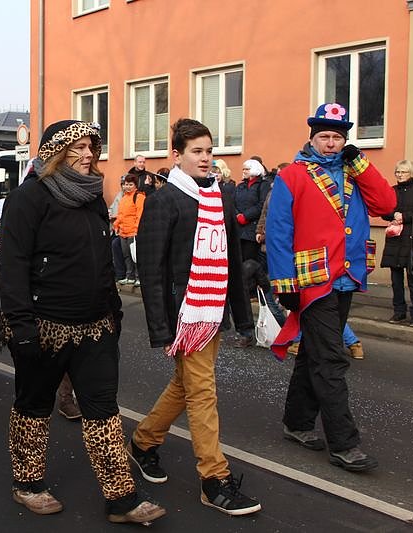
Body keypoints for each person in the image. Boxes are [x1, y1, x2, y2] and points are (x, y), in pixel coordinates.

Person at [0, 119, 165, 524]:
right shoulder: (29, 198)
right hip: (42, 327)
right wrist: (21, 327)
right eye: (80, 148)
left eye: (93, 146)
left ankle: (121, 499)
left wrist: (114, 309)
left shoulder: (92, 197)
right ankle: (28, 484)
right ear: (56, 153)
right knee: (33, 407)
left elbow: (101, 259)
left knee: (103, 411)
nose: (90, 154)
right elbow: (13, 265)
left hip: (95, 326)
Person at [128, 118, 260, 516]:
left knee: (187, 386)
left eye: (209, 150)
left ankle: (144, 441)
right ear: (178, 155)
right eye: (197, 151)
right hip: (184, 314)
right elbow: (151, 268)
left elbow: (232, 260)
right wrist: (159, 327)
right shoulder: (165, 199)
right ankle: (213, 479)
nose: (205, 158)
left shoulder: (221, 195)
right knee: (203, 391)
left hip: (213, 307)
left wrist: (243, 316)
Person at [267, 103, 396, 472]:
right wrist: (284, 283)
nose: (330, 143)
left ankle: (297, 422)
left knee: (312, 351)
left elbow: (387, 204)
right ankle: (344, 443)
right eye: (324, 136)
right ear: (312, 138)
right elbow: (279, 233)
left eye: (337, 137)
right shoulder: (292, 175)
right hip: (313, 279)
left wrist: (362, 163)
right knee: (331, 358)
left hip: (346, 276)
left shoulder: (353, 172)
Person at [380, 160, 413, 326]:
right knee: (396, 280)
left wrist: (405, 216)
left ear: (411, 173)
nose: (399, 175)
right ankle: (399, 312)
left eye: (403, 172)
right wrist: (393, 214)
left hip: (412, 239)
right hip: (395, 239)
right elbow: (384, 210)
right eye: (397, 172)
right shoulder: (392, 191)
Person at [234, 159, 270, 263]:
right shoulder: (240, 186)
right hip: (239, 229)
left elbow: (262, 205)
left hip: (252, 229)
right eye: (243, 169)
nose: (244, 171)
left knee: (250, 262)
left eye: (247, 169)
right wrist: (237, 216)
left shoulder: (263, 185)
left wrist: (246, 216)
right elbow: (233, 202)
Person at [113, 173, 145, 286]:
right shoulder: (124, 198)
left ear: (135, 185)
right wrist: (116, 225)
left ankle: (138, 277)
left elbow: (139, 215)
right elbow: (121, 215)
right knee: (126, 256)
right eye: (126, 184)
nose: (127, 187)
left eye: (130, 184)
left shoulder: (139, 197)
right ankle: (129, 276)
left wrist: (136, 230)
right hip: (123, 232)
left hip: (133, 232)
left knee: (135, 257)